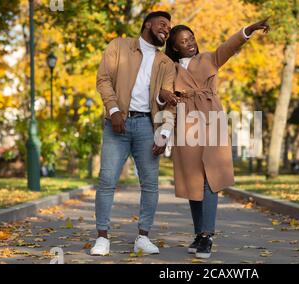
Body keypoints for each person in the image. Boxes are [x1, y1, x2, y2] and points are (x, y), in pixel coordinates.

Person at [161, 18, 270, 259]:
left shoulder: (209, 58)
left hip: (212, 120)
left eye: (191, 38)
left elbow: (229, 46)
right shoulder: (169, 69)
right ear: (175, 47)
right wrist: (165, 132)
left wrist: (248, 30)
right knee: (193, 183)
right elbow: (166, 102)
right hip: (186, 123)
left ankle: (207, 236)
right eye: (183, 41)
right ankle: (199, 233)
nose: (190, 43)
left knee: (211, 179)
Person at [90, 11, 176, 256]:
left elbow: (168, 101)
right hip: (117, 122)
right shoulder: (118, 46)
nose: (166, 30)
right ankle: (102, 238)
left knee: (150, 185)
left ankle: (143, 237)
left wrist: (164, 133)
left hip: (147, 126)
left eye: (169, 28)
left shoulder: (166, 63)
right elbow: (103, 79)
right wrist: (114, 110)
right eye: (162, 24)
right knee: (107, 181)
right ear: (147, 24)